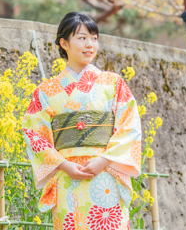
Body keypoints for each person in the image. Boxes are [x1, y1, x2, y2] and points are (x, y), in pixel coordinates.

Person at [21, 12, 142, 230]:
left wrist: (103, 160)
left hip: (105, 176)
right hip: (67, 178)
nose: (90, 45)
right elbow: (33, 134)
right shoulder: (46, 91)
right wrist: (64, 165)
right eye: (82, 38)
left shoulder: (113, 83)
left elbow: (129, 126)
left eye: (94, 38)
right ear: (64, 43)